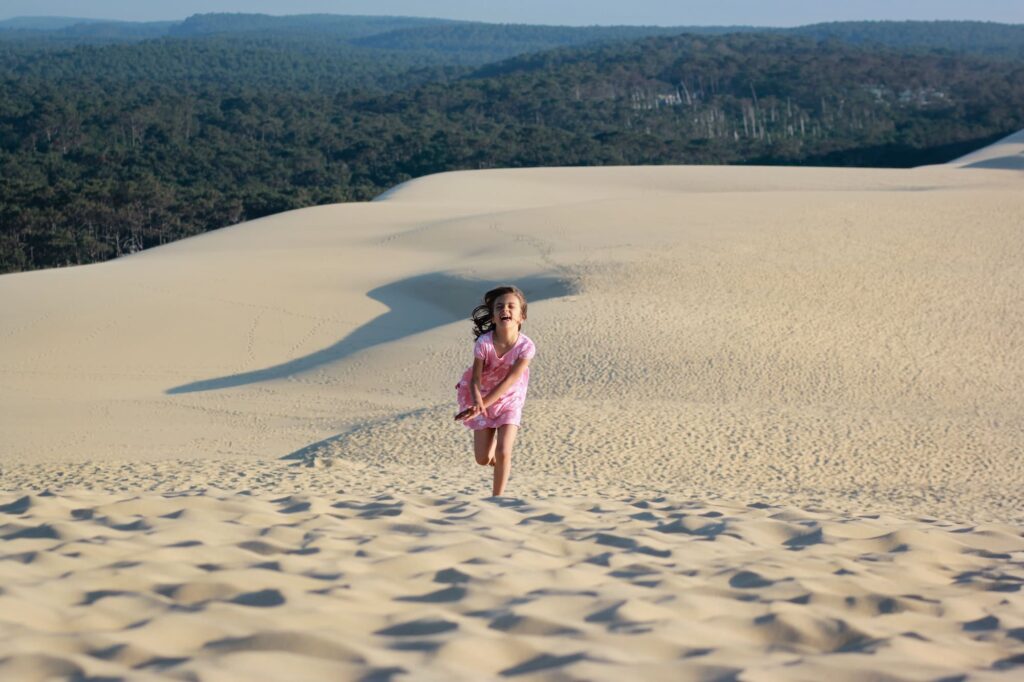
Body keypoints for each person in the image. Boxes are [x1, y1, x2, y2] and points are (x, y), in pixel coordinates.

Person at [454, 285, 536, 496]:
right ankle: (497, 463)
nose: (505, 310)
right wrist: (477, 403)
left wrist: (483, 404)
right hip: (482, 398)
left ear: (521, 316)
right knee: (482, 459)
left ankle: (497, 500)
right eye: (499, 306)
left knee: (503, 451)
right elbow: (475, 378)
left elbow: (510, 380)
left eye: (511, 306)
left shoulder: (526, 347)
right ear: (492, 317)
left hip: (510, 400)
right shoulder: (484, 343)